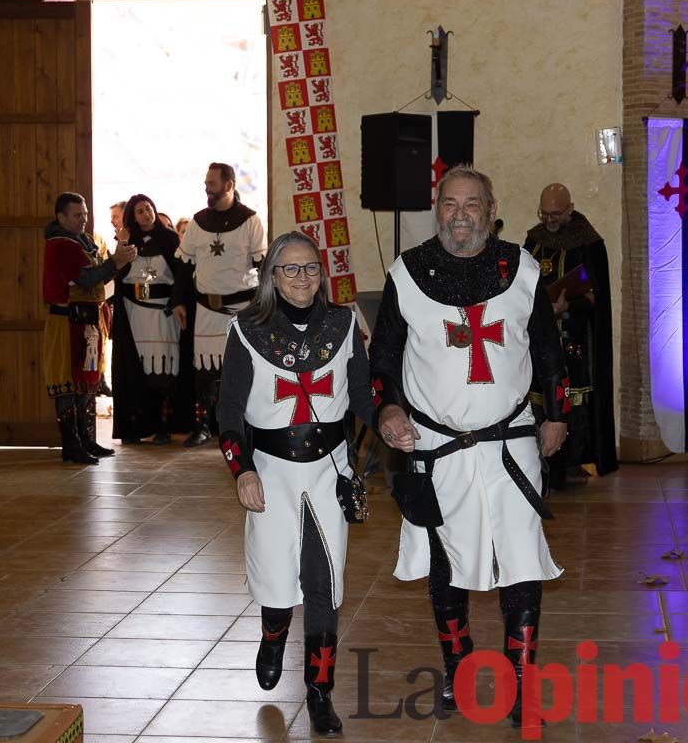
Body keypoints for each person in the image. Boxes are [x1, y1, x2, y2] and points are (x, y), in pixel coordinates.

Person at [371, 166, 569, 729]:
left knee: (521, 558)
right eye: (450, 203)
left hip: (511, 440)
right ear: (438, 209)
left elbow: (549, 350)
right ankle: (458, 669)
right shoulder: (407, 273)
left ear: (490, 208)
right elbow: (382, 357)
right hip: (436, 446)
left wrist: (557, 413)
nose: (460, 214)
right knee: (446, 561)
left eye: (472, 204)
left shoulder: (521, 268)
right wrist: (387, 408)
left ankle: (522, 677)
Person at [217, 231, 374, 736]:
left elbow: (363, 398)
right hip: (271, 470)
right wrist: (241, 469)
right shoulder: (246, 330)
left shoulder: (344, 325)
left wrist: (395, 421)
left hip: (330, 470)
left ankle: (320, 693)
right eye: (290, 269)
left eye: (311, 268)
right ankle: (272, 636)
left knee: (324, 585)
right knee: (278, 580)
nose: (302, 278)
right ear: (271, 277)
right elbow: (228, 412)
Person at [524, 183, 618, 485]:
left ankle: (571, 463)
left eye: (555, 213)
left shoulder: (587, 242)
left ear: (570, 208)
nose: (549, 219)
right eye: (545, 213)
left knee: (572, 400)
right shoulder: (534, 240)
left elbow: (596, 295)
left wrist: (567, 306)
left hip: (575, 337)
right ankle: (541, 462)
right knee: (540, 398)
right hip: (539, 337)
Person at [173, 162, 268, 447]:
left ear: (229, 185)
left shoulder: (251, 220)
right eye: (206, 183)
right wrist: (178, 300)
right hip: (206, 310)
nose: (207, 187)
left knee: (243, 371)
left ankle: (246, 426)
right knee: (204, 373)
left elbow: (263, 266)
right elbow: (183, 264)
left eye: (211, 183)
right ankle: (203, 426)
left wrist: (265, 308)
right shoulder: (198, 222)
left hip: (241, 308)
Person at [43, 192, 136, 464]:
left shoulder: (82, 241)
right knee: (67, 384)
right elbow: (86, 279)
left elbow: (98, 276)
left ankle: (85, 440)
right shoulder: (61, 244)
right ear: (60, 217)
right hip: (66, 321)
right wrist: (116, 262)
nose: (83, 219)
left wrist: (117, 261)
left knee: (85, 384)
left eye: (84, 214)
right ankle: (71, 445)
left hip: (85, 320)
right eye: (76, 215)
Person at [111, 194, 185, 444]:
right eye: (140, 210)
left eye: (149, 208)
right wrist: (121, 246)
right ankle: (136, 425)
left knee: (164, 369)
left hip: (163, 312)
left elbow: (181, 276)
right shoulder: (126, 241)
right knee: (138, 368)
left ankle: (163, 425)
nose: (146, 213)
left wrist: (178, 302)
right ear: (133, 215)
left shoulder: (170, 239)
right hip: (135, 312)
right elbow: (118, 274)